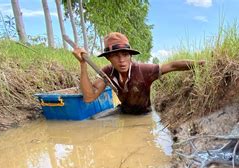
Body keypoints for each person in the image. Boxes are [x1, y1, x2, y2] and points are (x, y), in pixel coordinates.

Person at [72, 32, 203, 115]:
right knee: (95, 119)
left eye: (125, 54)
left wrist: (201, 63)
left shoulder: (144, 70)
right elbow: (89, 97)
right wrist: (83, 64)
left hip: (144, 114)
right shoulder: (107, 73)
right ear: (108, 58)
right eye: (115, 56)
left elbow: (172, 65)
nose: (122, 60)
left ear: (130, 55)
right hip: (124, 112)